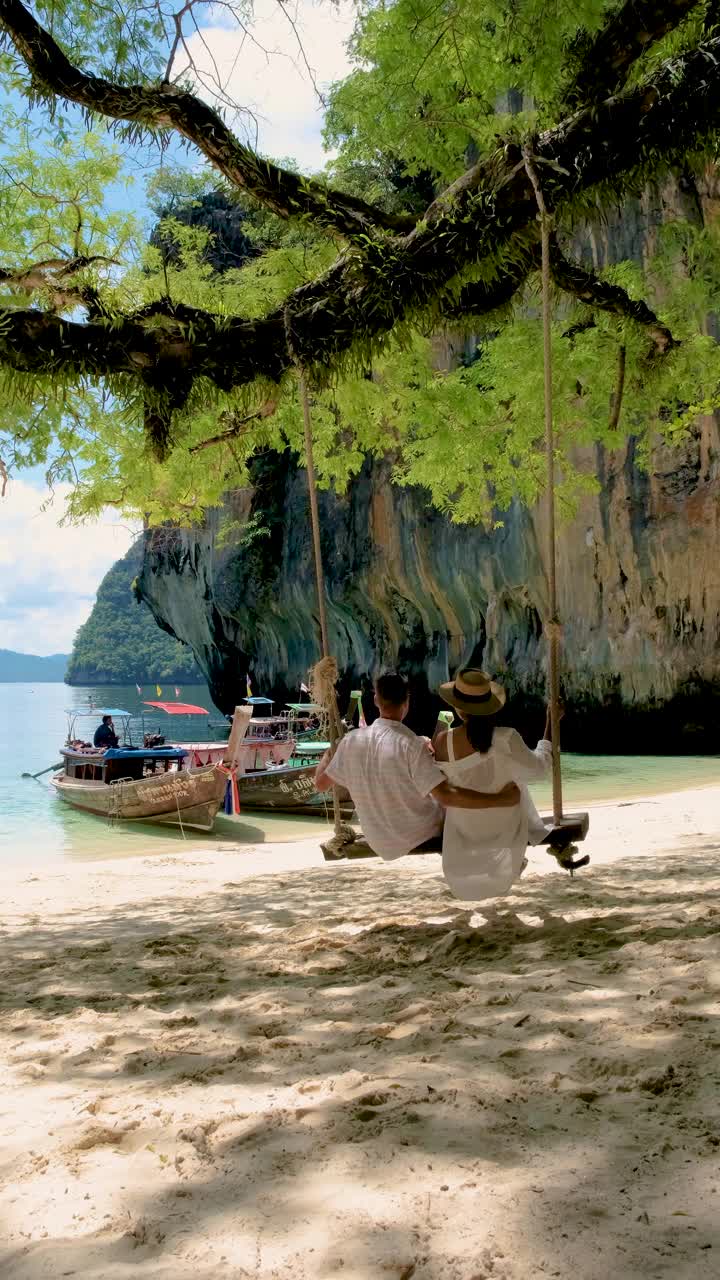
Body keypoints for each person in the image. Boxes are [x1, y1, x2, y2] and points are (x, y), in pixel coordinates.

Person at [315, 672, 520, 861]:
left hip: (379, 841)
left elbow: (321, 784)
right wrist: (502, 799)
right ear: (407, 702)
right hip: (417, 835)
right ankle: (498, 851)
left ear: (376, 700)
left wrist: (328, 755)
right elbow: (445, 796)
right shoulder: (410, 744)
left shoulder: (351, 741)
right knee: (453, 784)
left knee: (433, 777)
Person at [433, 667, 552, 900]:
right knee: (517, 780)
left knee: (508, 777)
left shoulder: (442, 741)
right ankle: (514, 860)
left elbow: (440, 785)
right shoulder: (506, 738)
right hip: (504, 826)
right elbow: (539, 769)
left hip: (464, 829)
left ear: (457, 707)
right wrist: (548, 729)